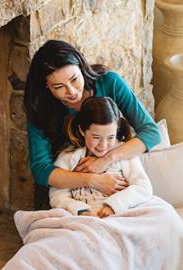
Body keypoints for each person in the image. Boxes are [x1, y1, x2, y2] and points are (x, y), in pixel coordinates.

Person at [24, 40, 160, 201]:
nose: (72, 91)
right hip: (66, 191)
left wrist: (106, 159)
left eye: (74, 79)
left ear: (81, 67)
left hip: (116, 184)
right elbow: (41, 169)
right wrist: (92, 180)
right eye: (59, 87)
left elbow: (151, 133)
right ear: (46, 86)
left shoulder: (110, 83)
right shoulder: (40, 108)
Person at [49, 97, 153, 217]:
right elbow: (57, 194)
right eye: (96, 137)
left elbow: (143, 187)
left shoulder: (124, 153)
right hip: (82, 217)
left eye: (110, 137)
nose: (103, 145)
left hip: (122, 213)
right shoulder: (68, 157)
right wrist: (80, 210)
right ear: (82, 131)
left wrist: (113, 206)